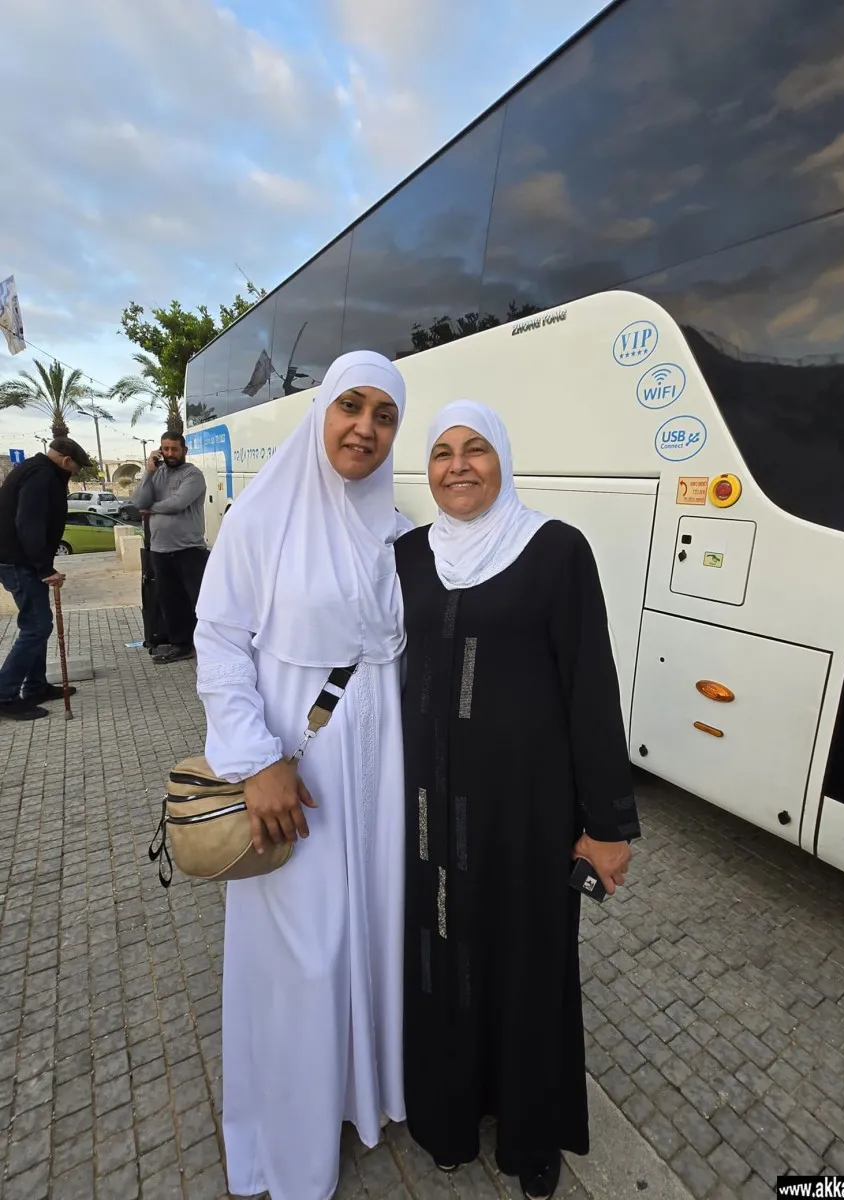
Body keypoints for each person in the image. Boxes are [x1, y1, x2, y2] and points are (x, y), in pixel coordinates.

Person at [395, 401, 641, 1199]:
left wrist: (606, 826)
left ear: (502, 459)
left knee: (529, 965)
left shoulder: (555, 550)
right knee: (440, 958)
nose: (458, 466)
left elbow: (591, 689)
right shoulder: (408, 555)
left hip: (529, 816)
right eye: (442, 452)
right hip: (431, 816)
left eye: (475, 450)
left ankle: (532, 1135)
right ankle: (449, 1116)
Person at [193, 351, 409, 1200]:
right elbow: (218, 641)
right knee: (303, 954)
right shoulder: (264, 518)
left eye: (384, 415)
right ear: (321, 412)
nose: (365, 428)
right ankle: (290, 1144)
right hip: (296, 769)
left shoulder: (395, 530)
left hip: (381, 774)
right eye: (350, 406)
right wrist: (255, 762)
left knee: (371, 928)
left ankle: (360, 1098)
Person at [0, 437, 91, 722]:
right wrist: (44, 569)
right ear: (66, 460)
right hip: (19, 563)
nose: (75, 473)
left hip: (21, 561)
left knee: (37, 624)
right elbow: (29, 524)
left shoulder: (35, 469)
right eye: (76, 467)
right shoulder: (41, 476)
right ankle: (4, 695)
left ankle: (35, 686)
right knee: (37, 627)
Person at [131, 430, 208, 664]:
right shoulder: (156, 474)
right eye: (165, 449)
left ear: (184, 450)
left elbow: (178, 503)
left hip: (190, 550)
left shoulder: (193, 475)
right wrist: (148, 472)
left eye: (174, 449)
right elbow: (139, 501)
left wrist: (150, 509)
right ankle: (181, 645)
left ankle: (209, 644)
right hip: (160, 550)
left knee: (199, 601)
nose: (170, 453)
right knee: (170, 601)